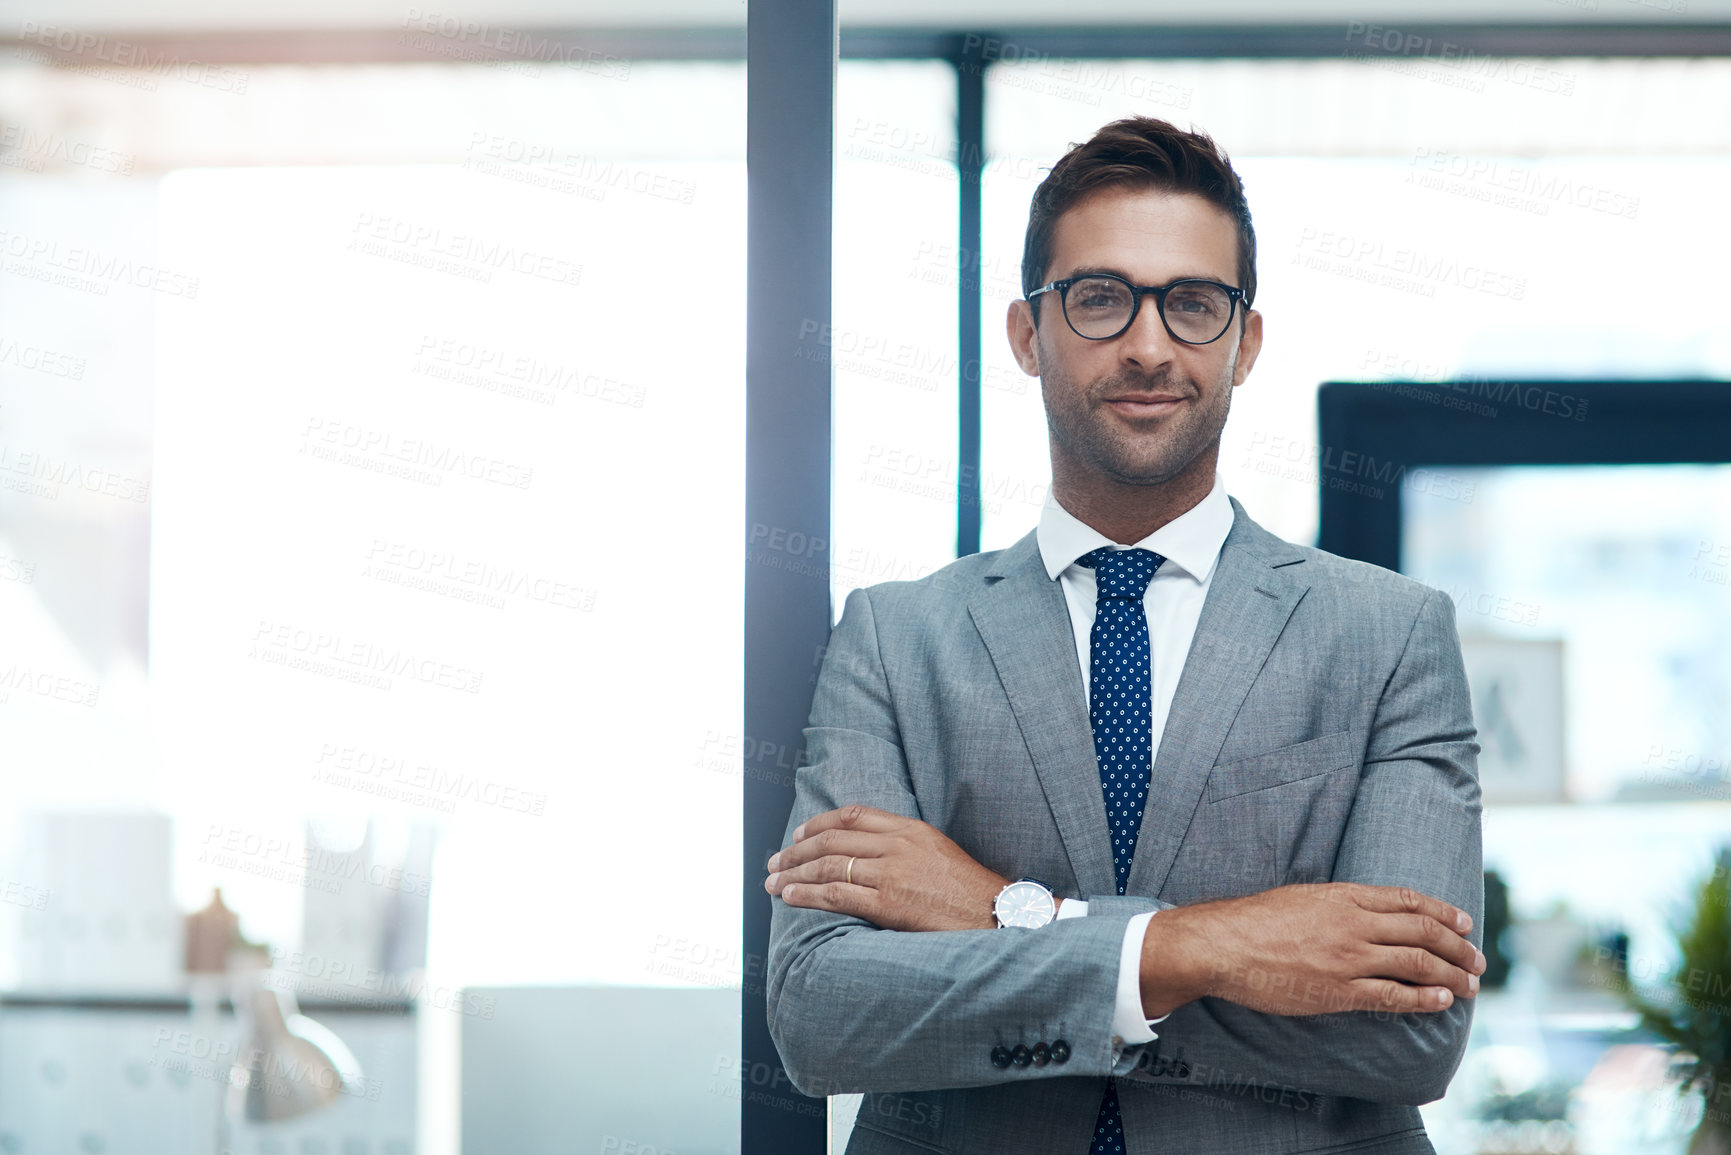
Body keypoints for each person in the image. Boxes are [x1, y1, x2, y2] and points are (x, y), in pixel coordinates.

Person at [764, 115, 1485, 1155]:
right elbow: (824, 1015)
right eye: (1100, 299)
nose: (1149, 346)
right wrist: (1214, 948)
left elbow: (1408, 1037)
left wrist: (1007, 914)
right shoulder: (894, 637)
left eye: (1193, 305)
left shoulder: (1389, 637)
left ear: (1246, 343)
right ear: (1028, 334)